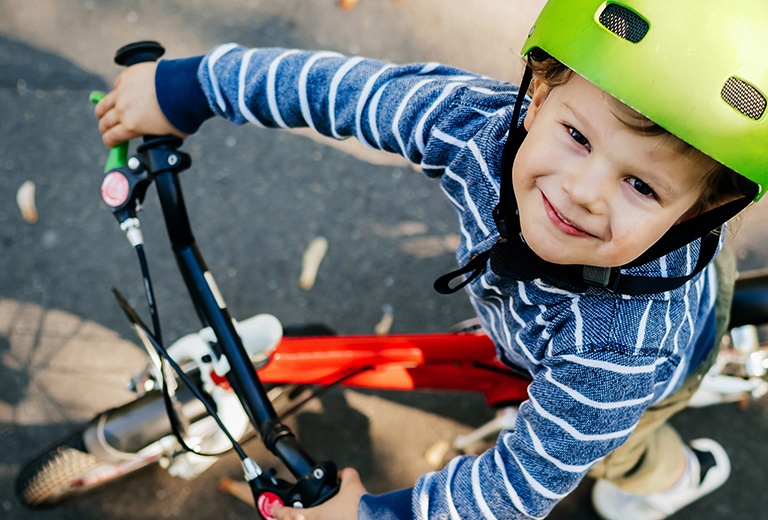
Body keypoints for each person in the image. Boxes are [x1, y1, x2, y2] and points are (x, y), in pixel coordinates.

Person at [95, 0, 767, 518]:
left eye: (642, 185)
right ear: (536, 92)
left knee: (615, 452)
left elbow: (514, 487)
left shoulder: (623, 348)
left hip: (638, 369)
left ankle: (670, 480)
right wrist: (189, 87)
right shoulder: (472, 125)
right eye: (575, 135)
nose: (583, 193)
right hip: (523, 310)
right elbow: (341, 91)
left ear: (695, 218)